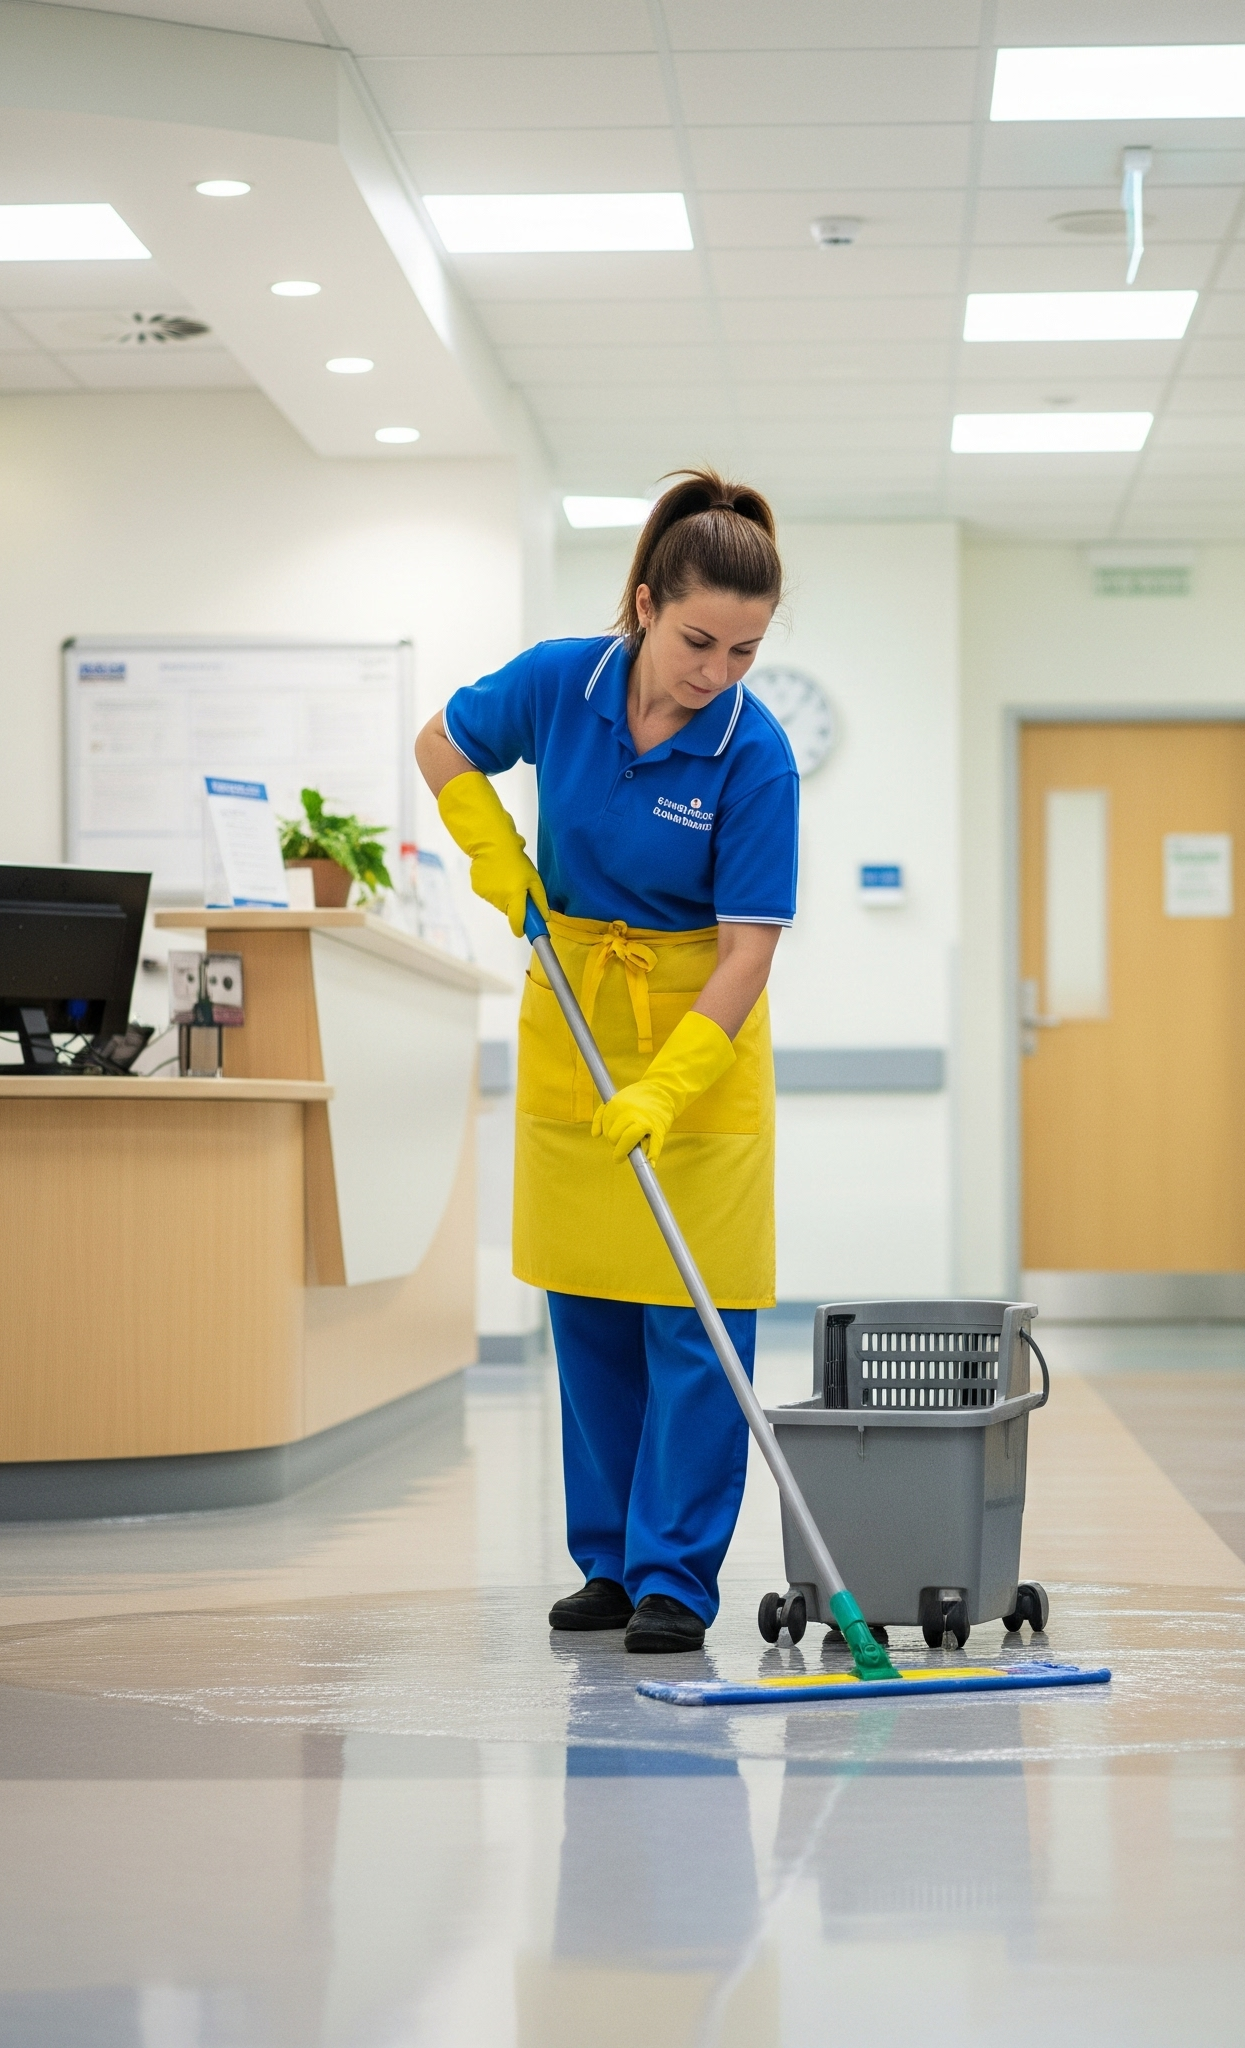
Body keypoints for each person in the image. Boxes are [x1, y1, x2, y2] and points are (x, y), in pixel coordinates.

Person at [415, 470, 796, 1653]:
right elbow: (441, 742)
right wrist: (487, 842)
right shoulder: (558, 681)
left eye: (743, 649)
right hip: (573, 1016)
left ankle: (676, 1574)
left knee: (694, 1312)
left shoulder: (755, 752)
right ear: (642, 603)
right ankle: (608, 1562)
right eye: (697, 640)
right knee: (586, 1302)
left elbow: (747, 951)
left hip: (700, 1039)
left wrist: (671, 1082)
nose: (715, 672)